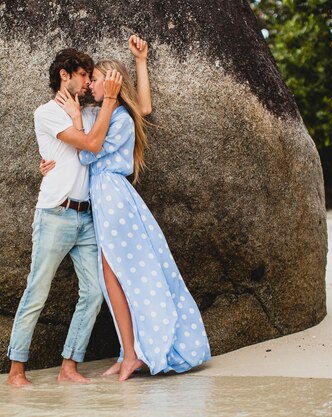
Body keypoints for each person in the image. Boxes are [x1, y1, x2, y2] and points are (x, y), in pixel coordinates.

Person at [43, 37, 212, 381]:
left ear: (112, 83)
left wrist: (137, 67)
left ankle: (133, 354)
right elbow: (142, 108)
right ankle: (128, 352)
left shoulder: (118, 118)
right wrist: (49, 162)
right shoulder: (98, 113)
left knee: (116, 277)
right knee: (112, 281)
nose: (90, 83)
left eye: (97, 78)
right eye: (87, 78)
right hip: (103, 199)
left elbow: (90, 152)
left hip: (113, 197)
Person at [6, 47, 123, 387]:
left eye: (90, 76)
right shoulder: (45, 113)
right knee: (36, 292)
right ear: (64, 75)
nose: (88, 82)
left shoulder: (87, 112)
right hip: (55, 213)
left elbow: (97, 133)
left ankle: (69, 366)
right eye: (84, 75)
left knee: (94, 292)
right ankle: (16, 373)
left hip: (86, 217)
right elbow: (90, 144)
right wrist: (97, 112)